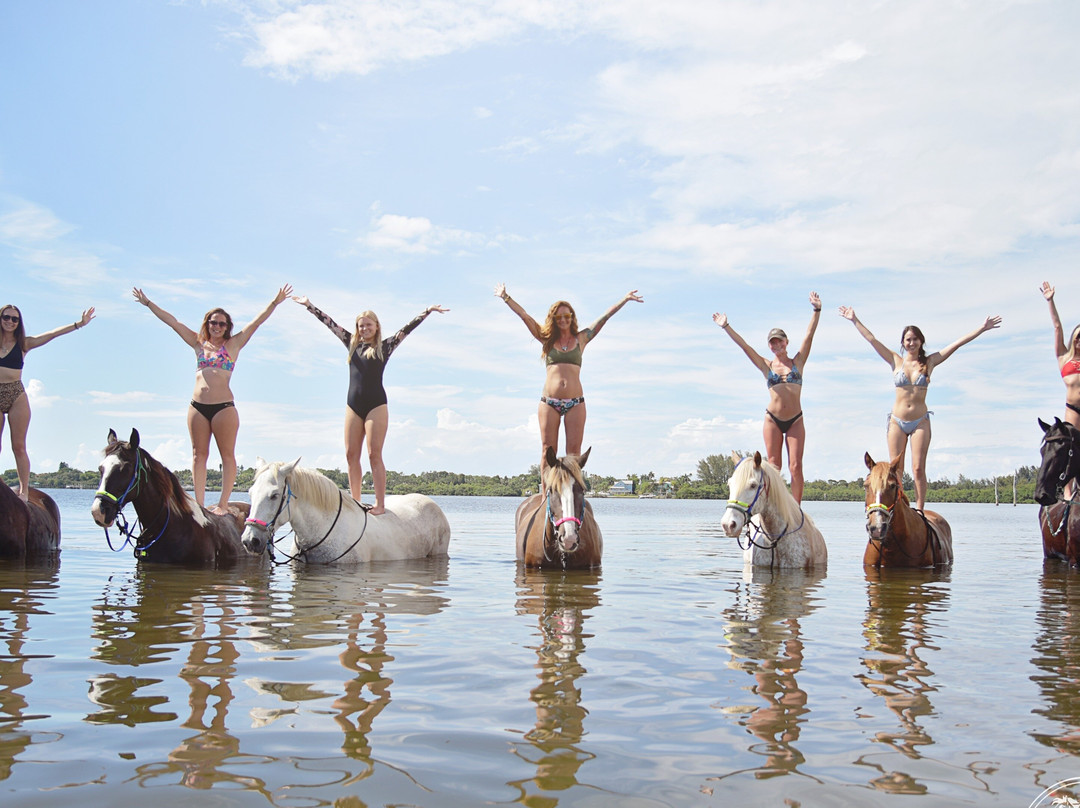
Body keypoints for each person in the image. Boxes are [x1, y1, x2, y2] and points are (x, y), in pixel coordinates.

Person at [132, 285, 292, 514]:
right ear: (207, 324)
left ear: (227, 327)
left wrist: (275, 302)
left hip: (223, 408)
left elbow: (256, 322)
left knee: (227, 455)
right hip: (197, 407)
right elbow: (173, 322)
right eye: (212, 322)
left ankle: (223, 504)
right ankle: (198, 504)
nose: (216, 327)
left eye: (221, 323)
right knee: (199, 455)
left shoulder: (233, 344)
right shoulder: (198, 343)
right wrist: (148, 303)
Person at [293, 295, 448, 514]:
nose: (364, 328)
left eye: (368, 324)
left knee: (374, 454)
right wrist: (309, 306)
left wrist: (427, 311)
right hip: (353, 405)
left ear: (376, 327)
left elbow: (407, 329)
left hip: (376, 405)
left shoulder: (386, 346)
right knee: (350, 455)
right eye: (361, 325)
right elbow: (330, 324)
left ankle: (380, 504)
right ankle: (355, 501)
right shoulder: (351, 344)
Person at [838, 305, 1002, 511]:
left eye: (915, 339)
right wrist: (854, 319)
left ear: (921, 341)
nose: (911, 342)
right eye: (908, 339)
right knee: (895, 471)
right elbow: (872, 339)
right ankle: (898, 507)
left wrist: (982, 328)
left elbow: (957, 344)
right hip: (897, 421)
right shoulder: (895, 360)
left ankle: (920, 510)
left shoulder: (929, 361)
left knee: (917, 469)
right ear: (903, 343)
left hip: (920, 421)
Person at [495, 284, 643, 483]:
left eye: (567, 316)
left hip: (576, 402)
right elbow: (525, 316)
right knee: (548, 451)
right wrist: (506, 297)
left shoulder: (581, 338)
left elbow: (604, 318)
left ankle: (574, 500)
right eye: (559, 317)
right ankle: (546, 495)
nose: (563, 320)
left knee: (574, 455)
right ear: (554, 320)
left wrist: (624, 300)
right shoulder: (546, 339)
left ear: (572, 317)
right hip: (549, 402)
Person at [713, 292, 822, 503]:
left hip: (795, 420)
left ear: (786, 342)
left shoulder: (797, 363)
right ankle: (774, 505)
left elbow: (809, 336)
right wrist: (726, 327)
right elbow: (745, 347)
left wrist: (816, 311)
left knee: (796, 466)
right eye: (772, 343)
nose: (776, 345)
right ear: (769, 346)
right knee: (774, 466)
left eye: (779, 341)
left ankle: (796, 508)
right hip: (772, 419)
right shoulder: (767, 366)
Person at [0, 303, 95, 501]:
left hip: (16, 394)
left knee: (18, 446)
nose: (10, 321)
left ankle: (24, 490)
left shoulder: (23, 344)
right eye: (6, 317)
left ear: (19, 323)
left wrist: (79, 324)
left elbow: (52, 334)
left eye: (14, 319)